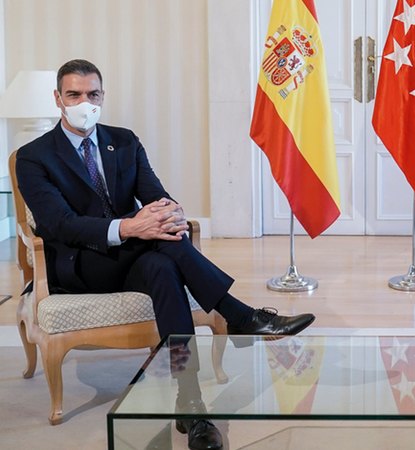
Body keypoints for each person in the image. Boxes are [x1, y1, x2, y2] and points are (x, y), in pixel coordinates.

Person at [16, 59, 316, 450]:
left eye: (92, 94)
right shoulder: (34, 156)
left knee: (163, 264)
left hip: (137, 256)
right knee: (161, 243)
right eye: (74, 94)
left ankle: (189, 400)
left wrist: (168, 213)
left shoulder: (123, 141)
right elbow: (59, 224)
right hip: (81, 264)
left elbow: (157, 194)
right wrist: (130, 227)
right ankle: (239, 315)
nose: (83, 102)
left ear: (102, 97)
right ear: (58, 99)